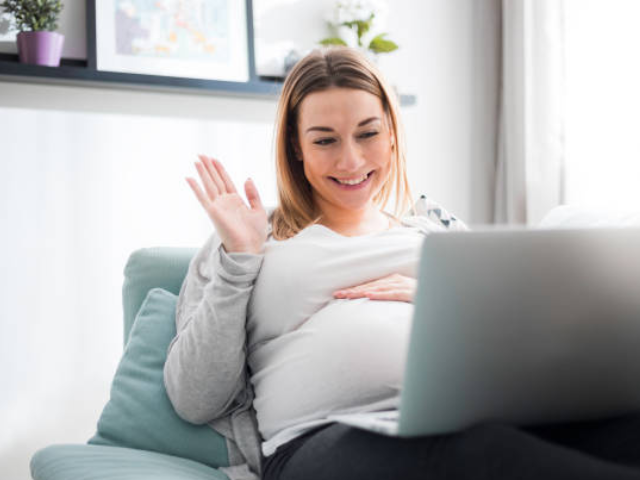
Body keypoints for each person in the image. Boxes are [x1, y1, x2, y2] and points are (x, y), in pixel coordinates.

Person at [164, 47, 640, 480]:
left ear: (391, 135)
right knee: (479, 453)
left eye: (367, 134)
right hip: (319, 440)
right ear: (296, 147)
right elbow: (194, 396)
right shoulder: (250, 236)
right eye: (325, 140)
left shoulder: (434, 230)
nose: (351, 161)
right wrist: (240, 258)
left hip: (465, 414)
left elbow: (523, 347)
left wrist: (441, 304)